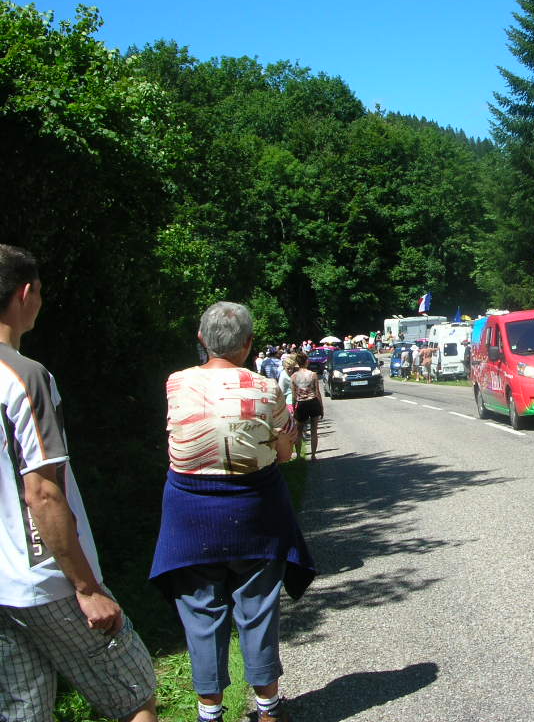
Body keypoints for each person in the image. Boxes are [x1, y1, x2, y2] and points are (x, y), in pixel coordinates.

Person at [0, 245, 158, 722]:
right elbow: (43, 492)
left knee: (24, 712)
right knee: (135, 696)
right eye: (41, 292)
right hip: (45, 580)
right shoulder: (26, 377)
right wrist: (86, 587)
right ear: (26, 293)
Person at [150, 302, 316, 722]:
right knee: (257, 608)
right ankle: (269, 708)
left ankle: (210, 712)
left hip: (190, 515)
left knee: (201, 614)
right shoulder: (267, 389)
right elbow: (284, 454)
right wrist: (285, 440)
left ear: (202, 340)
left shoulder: (175, 383)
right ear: (248, 345)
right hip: (255, 512)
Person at [290, 353, 323, 460]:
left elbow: (293, 394)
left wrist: (294, 407)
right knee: (314, 431)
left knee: (299, 432)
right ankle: (313, 455)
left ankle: (299, 455)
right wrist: (321, 407)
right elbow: (317, 392)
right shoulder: (313, 374)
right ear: (306, 361)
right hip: (313, 402)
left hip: (301, 403)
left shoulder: (293, 376)